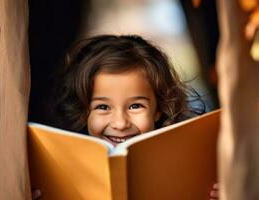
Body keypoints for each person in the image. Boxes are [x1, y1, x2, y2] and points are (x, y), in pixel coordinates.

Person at [34, 34, 218, 199]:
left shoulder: (189, 168)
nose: (120, 123)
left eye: (136, 106)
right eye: (103, 107)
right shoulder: (57, 172)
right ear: (84, 111)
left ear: (158, 109)